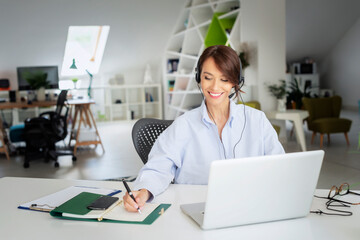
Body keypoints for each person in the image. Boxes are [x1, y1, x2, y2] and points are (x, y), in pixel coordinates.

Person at [123, 45, 285, 212]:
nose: (215, 87)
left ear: (236, 82)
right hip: (196, 209)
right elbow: (158, 167)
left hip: (249, 207)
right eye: (208, 77)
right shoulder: (183, 125)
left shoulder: (257, 120)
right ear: (199, 78)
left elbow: (280, 169)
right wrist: (143, 192)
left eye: (224, 79)